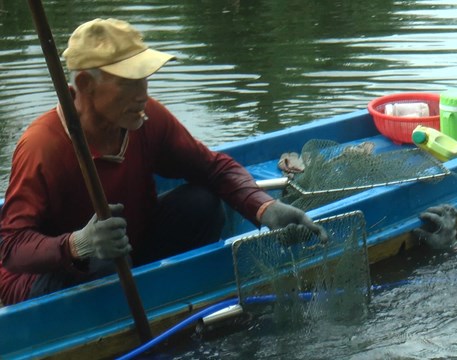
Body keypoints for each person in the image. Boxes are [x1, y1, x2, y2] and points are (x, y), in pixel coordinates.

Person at [0, 18, 326, 306]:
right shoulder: (42, 145)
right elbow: (11, 247)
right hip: (53, 279)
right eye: (129, 83)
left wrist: (264, 208)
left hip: (128, 251)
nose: (144, 93)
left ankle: (175, 296)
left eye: (144, 79)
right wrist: (77, 244)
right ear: (85, 85)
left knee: (202, 202)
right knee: (102, 260)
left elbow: (212, 168)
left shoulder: (146, 118)